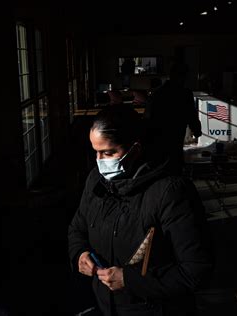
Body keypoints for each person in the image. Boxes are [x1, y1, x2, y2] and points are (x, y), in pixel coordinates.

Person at [68, 105, 214, 316]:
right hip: (105, 306)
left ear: (135, 150)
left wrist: (130, 280)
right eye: (96, 152)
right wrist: (80, 253)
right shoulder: (96, 181)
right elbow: (77, 228)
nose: (100, 161)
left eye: (108, 152)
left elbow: (197, 269)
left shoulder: (170, 193)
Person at [143, 62, 202, 175]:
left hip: (156, 138)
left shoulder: (157, 93)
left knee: (159, 168)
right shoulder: (185, 93)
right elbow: (192, 115)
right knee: (174, 167)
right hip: (176, 137)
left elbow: (147, 118)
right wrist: (197, 131)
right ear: (184, 76)